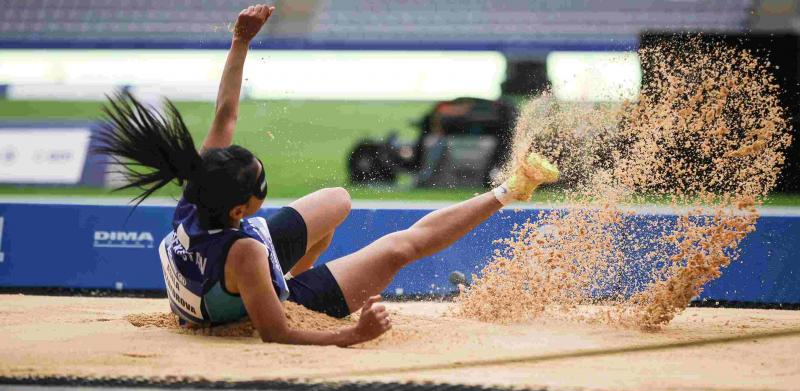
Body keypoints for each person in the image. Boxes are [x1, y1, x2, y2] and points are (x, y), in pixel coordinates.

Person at [97, 4, 559, 347]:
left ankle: (300, 276)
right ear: (242, 209)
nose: (263, 176)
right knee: (400, 247)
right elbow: (275, 333)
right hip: (250, 297)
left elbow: (225, 114)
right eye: (261, 183)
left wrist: (241, 41)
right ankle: (507, 191)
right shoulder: (244, 252)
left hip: (224, 272)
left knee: (337, 199)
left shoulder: (199, 193)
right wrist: (350, 336)